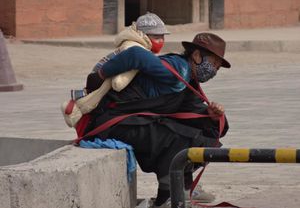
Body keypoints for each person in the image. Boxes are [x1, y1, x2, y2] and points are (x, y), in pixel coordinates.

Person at [79, 32, 231, 208]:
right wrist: (100, 75)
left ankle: (182, 190)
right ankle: (168, 197)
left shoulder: (187, 80)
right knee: (175, 138)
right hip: (115, 121)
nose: (214, 71)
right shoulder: (177, 71)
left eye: (217, 68)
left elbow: (202, 118)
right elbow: (135, 55)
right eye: (213, 64)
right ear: (196, 55)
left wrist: (214, 116)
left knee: (202, 139)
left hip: (135, 121)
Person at [61, 12, 170, 127]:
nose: (161, 41)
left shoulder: (136, 46)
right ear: (143, 35)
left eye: (163, 37)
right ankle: (78, 110)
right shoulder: (135, 50)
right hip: (106, 83)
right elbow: (118, 82)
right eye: (156, 37)